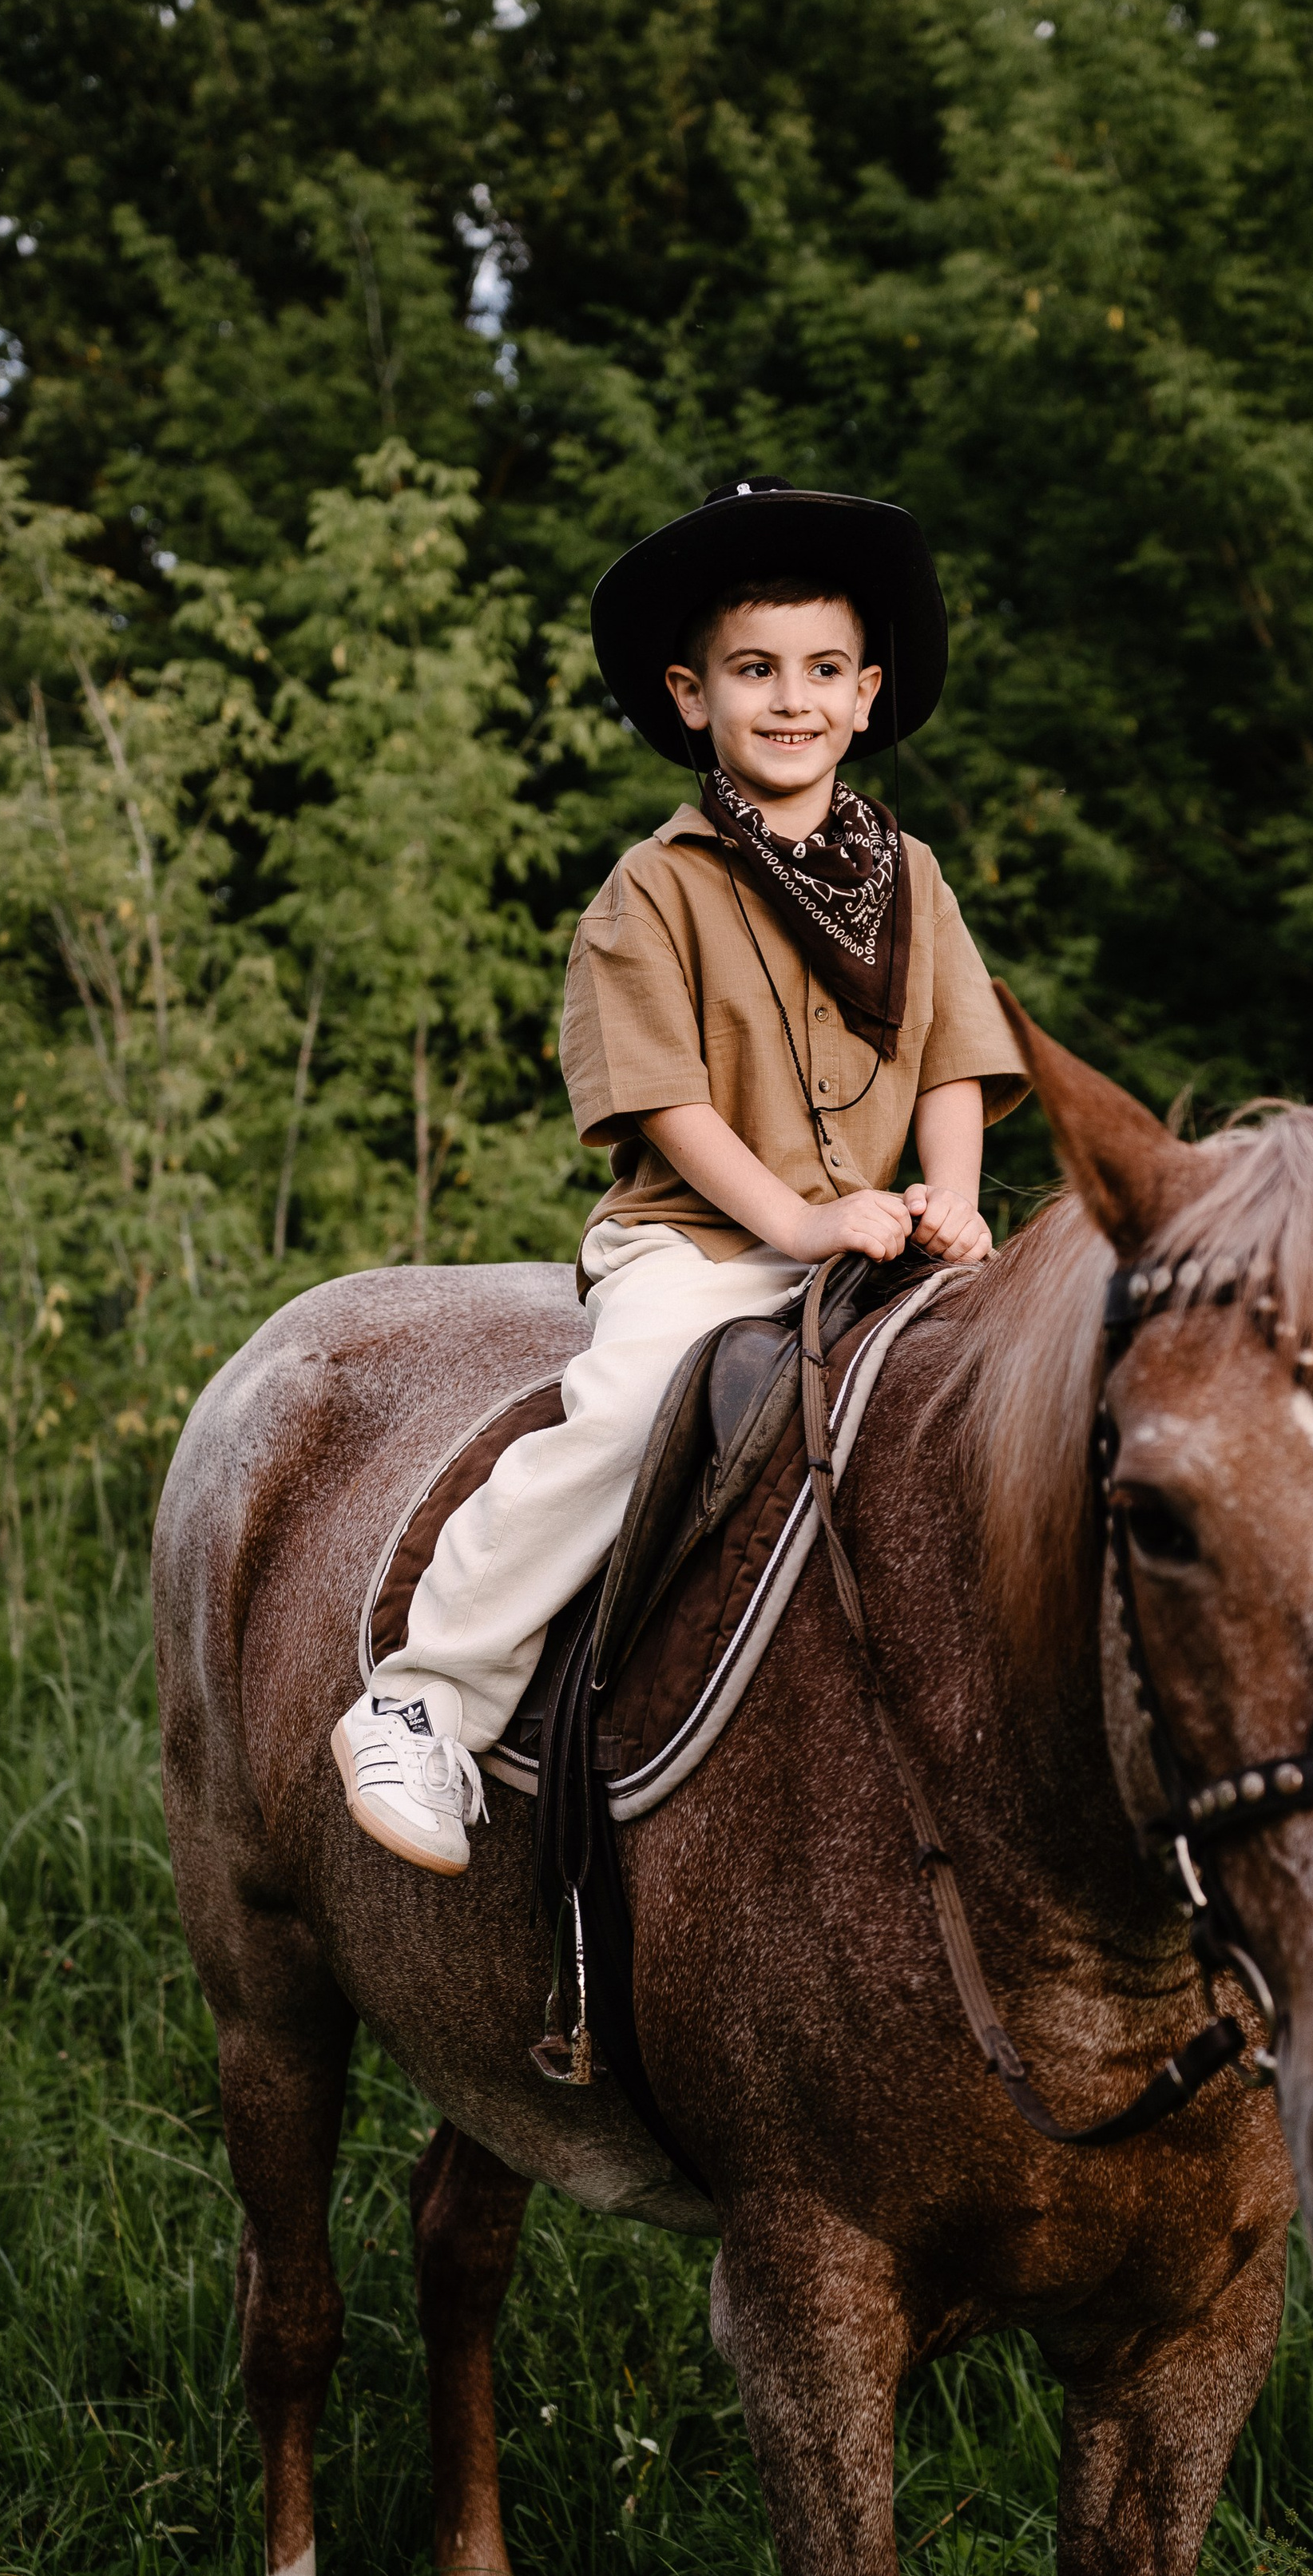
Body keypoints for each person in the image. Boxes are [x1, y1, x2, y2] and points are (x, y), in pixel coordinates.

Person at [331, 474, 1027, 1872]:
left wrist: (950, 1194)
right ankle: (427, 1693)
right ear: (692, 694)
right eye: (755, 671)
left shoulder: (914, 876)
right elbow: (669, 1104)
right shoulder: (655, 889)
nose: (791, 698)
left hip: (885, 1234)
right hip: (702, 1245)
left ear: (869, 693)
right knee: (636, 1403)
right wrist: (803, 1217)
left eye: (824, 670)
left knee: (1027, 1408)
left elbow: (958, 1055)